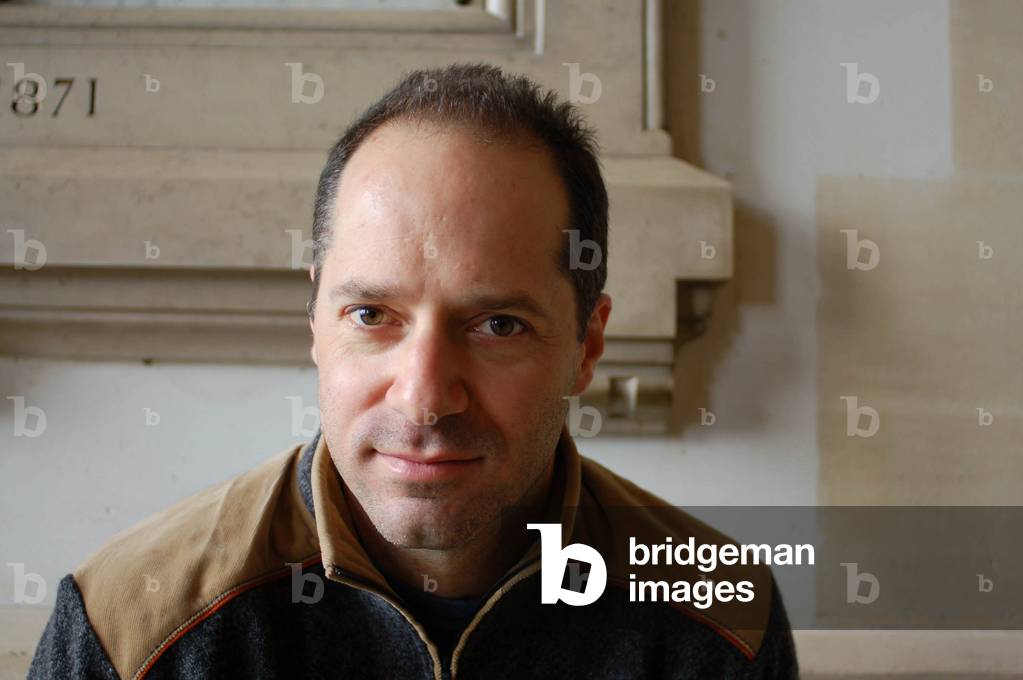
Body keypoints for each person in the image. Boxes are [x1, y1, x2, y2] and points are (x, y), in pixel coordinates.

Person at [28, 62, 798, 679]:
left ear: (586, 345)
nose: (425, 397)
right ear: (316, 322)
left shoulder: (718, 623)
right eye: (372, 316)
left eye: (497, 325)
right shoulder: (129, 629)